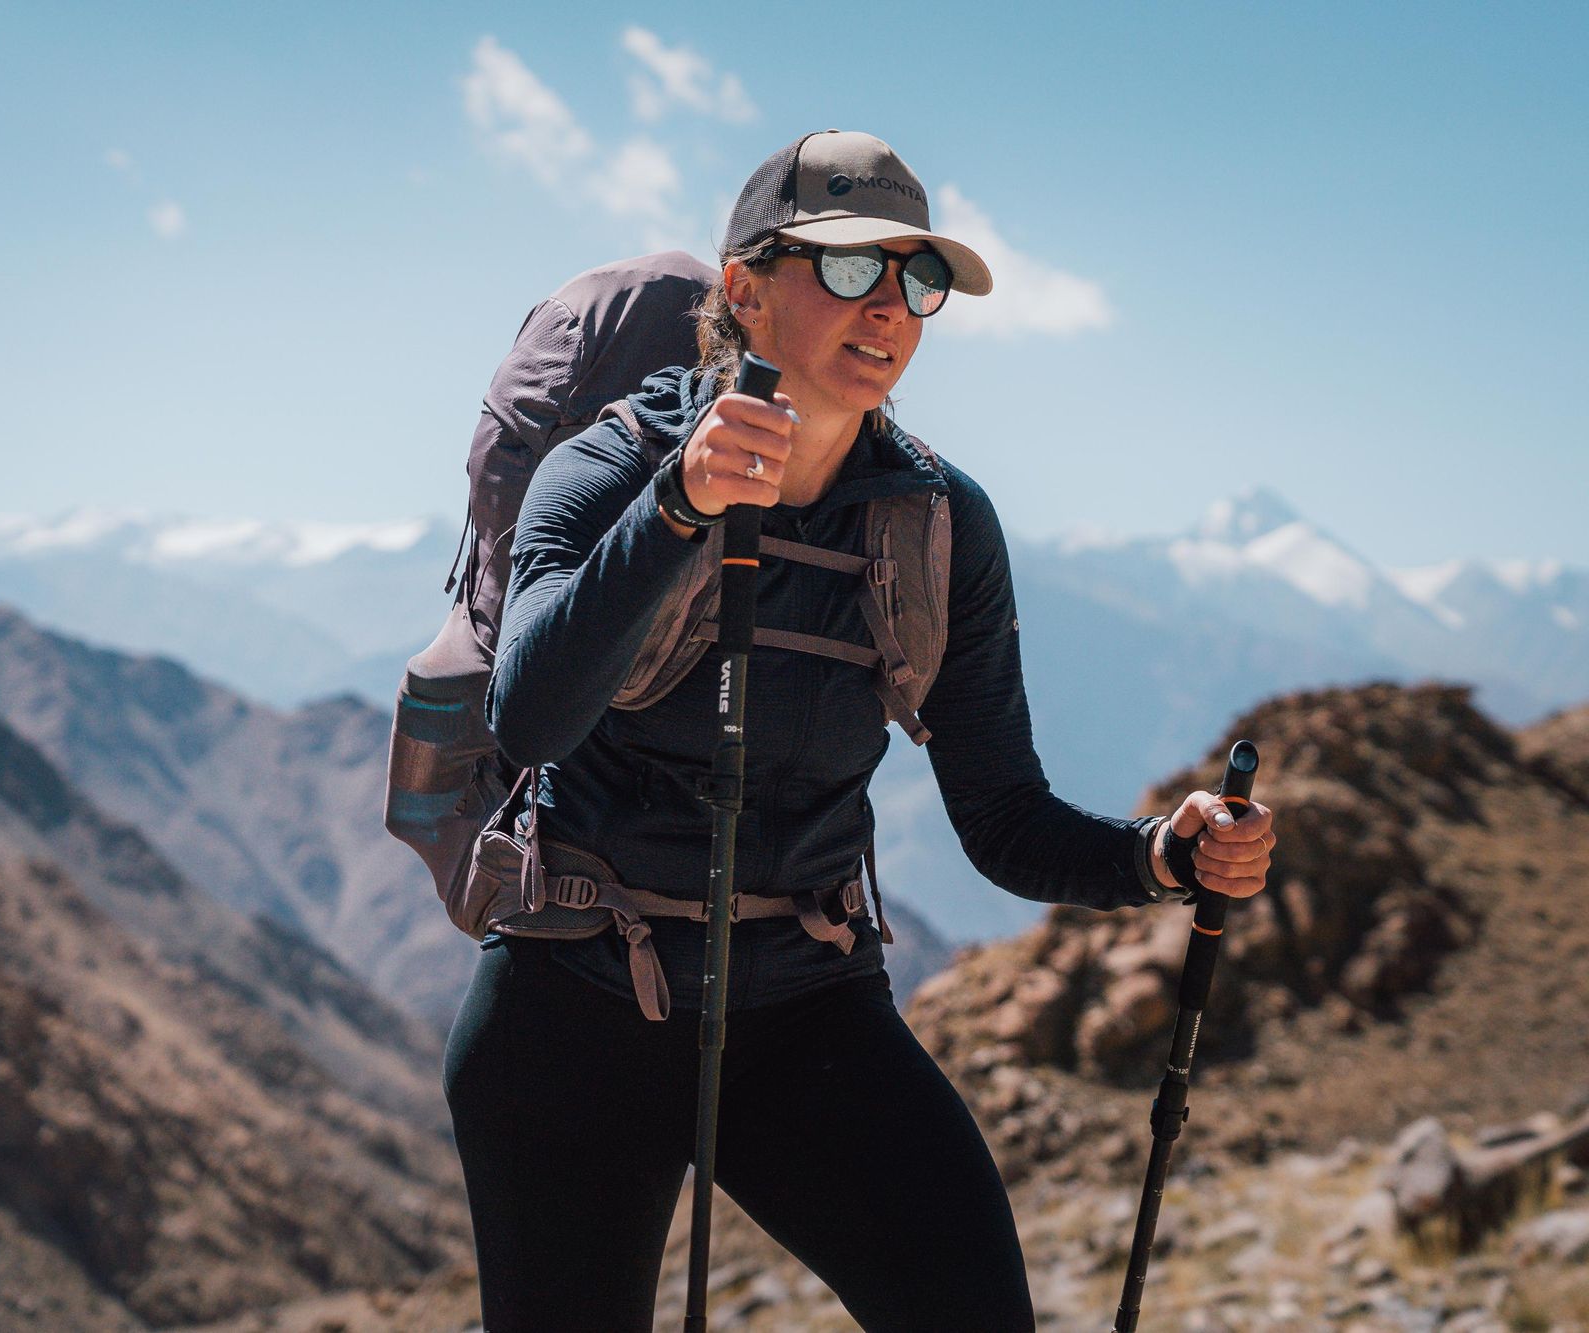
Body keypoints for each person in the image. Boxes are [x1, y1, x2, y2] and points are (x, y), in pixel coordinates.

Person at [443, 130, 1277, 1332]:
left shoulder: (936, 524)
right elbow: (528, 717)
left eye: (915, 282)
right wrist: (680, 505)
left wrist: (1158, 854)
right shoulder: (607, 470)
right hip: (568, 1012)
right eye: (846, 270)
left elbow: (999, 817)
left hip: (803, 1011)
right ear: (742, 288)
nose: (888, 308)